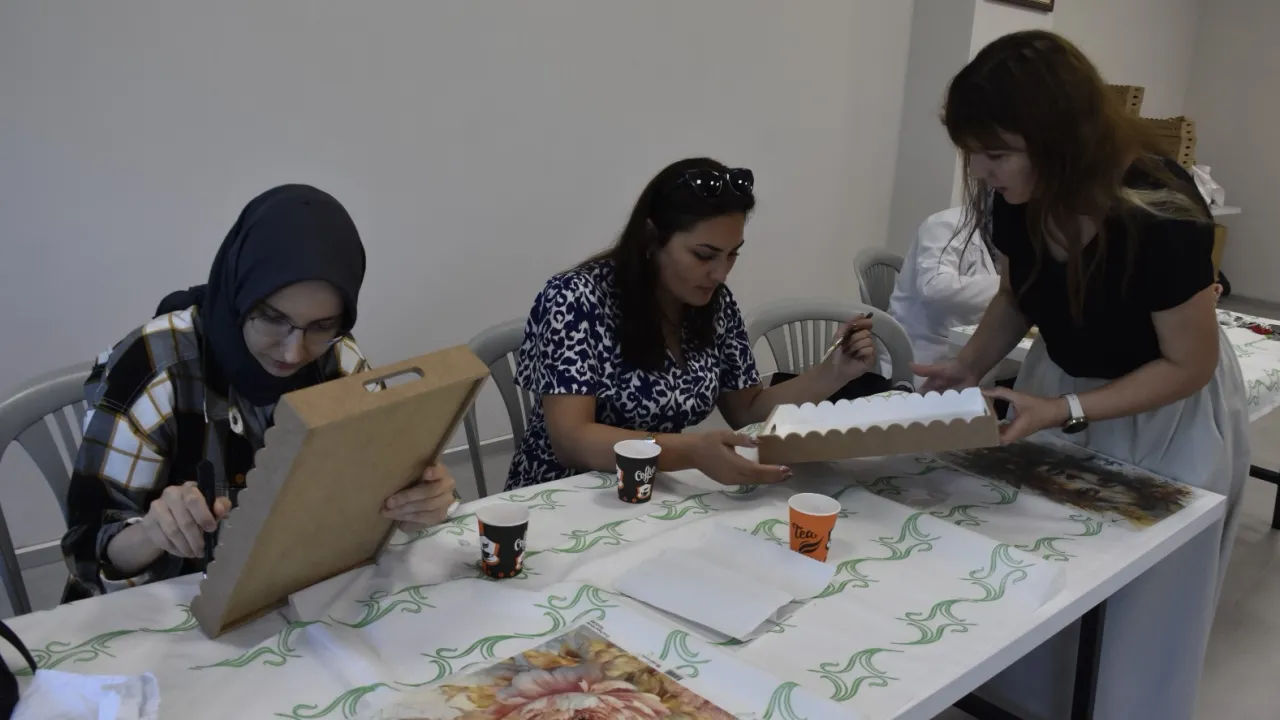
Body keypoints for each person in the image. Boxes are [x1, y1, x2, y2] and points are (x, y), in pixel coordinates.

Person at [916, 30, 1248, 719]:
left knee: (1139, 602)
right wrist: (968, 364)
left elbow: (1189, 364)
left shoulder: (1160, 212)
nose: (980, 170)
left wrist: (1066, 410)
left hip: (1161, 411)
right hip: (1060, 387)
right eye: (973, 153)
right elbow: (1019, 294)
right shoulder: (1019, 197)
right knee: (1039, 571)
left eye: (995, 154)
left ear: (1062, 138)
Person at [61, 185, 457, 602]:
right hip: (168, 609)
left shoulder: (337, 358)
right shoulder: (157, 367)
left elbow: (383, 474)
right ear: (239, 294)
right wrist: (150, 533)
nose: (293, 352)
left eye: (322, 326)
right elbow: (87, 551)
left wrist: (420, 501)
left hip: (286, 593)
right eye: (271, 318)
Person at [507, 158, 878, 490]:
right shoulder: (576, 297)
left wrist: (833, 372)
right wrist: (692, 451)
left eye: (732, 255)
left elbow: (748, 410)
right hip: (563, 495)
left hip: (650, 489)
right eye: (704, 255)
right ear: (651, 239)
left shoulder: (713, 304)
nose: (720, 273)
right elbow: (573, 441)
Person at [887, 206, 1004, 388]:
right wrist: (1010, 286)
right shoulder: (945, 224)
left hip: (975, 361)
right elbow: (934, 286)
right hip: (925, 357)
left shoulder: (1008, 236)